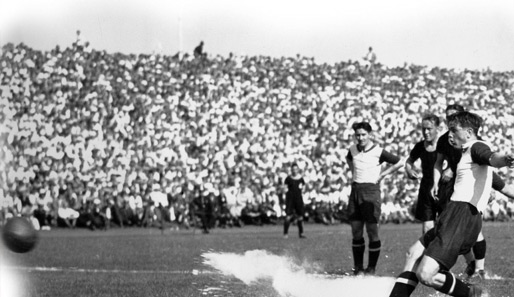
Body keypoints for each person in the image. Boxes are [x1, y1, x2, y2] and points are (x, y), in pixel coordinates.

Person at [388, 111, 514, 297]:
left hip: (461, 217)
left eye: (454, 130)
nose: (450, 135)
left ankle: (473, 294)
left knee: (426, 274)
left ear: (469, 132)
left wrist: (504, 160)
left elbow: (491, 157)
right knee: (413, 253)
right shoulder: (469, 160)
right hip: (452, 215)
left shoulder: (476, 147)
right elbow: (505, 188)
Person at [432, 104, 486, 279]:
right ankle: (469, 264)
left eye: (453, 117)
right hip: (450, 189)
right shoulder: (444, 139)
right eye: (447, 118)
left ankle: (479, 268)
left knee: (473, 230)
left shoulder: (474, 142)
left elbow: (485, 163)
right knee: (447, 227)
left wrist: (490, 188)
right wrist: (435, 183)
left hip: (470, 188)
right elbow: (438, 163)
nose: (450, 121)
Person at [345, 121, 403, 275]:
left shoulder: (378, 151)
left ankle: (371, 268)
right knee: (356, 230)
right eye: (358, 135)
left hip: (371, 191)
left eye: (363, 135)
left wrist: (383, 174)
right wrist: (353, 174)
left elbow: (399, 162)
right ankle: (358, 267)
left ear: (369, 135)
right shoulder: (352, 150)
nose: (360, 138)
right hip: (356, 189)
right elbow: (349, 159)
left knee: (372, 230)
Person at [405, 114, 441, 234]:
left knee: (445, 227)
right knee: (427, 229)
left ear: (437, 128)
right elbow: (409, 161)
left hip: (443, 188)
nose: (425, 132)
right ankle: (428, 252)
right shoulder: (420, 146)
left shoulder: (444, 145)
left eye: (429, 129)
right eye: (423, 129)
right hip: (426, 188)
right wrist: (409, 171)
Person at [283, 163, 307, 239]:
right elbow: (285, 188)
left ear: (298, 170)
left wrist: (302, 191)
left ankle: (301, 233)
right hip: (290, 200)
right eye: (293, 169)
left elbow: (303, 187)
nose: (294, 171)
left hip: (298, 199)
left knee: (300, 216)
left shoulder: (300, 178)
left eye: (296, 169)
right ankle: (285, 233)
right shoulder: (288, 179)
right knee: (288, 216)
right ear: (291, 170)